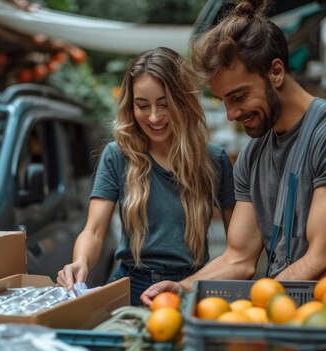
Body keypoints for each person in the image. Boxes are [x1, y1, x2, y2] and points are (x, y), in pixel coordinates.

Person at [140, 0, 326, 306]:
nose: (231, 113)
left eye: (239, 96)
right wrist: (183, 287)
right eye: (223, 100)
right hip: (286, 320)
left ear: (275, 71)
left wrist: (252, 307)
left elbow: (320, 261)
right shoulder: (252, 156)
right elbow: (239, 258)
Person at [57, 47, 235, 306]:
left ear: (183, 101)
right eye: (142, 105)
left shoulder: (214, 160)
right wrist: (81, 261)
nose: (153, 117)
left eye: (164, 104)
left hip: (189, 288)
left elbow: (238, 249)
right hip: (128, 287)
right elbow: (94, 230)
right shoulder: (116, 156)